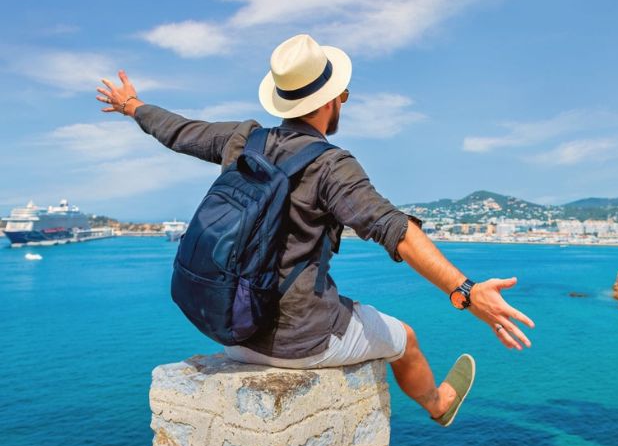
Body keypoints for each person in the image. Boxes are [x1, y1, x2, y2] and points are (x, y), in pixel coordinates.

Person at [96, 34, 534, 426]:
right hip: (300, 341)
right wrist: (466, 291)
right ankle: (438, 404)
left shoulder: (243, 140)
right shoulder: (331, 165)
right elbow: (394, 229)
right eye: (342, 95)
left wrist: (132, 106)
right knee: (406, 341)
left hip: (231, 330)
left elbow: (179, 131)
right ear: (331, 101)